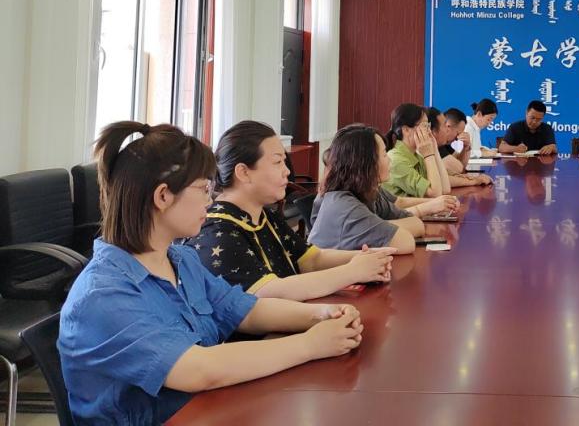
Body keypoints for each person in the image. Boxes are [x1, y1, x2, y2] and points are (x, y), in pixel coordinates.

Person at [59, 122, 365, 425]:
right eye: (203, 189)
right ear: (163, 196)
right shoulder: (102, 295)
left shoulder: (181, 260)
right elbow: (198, 370)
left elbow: (245, 311)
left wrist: (322, 315)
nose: (210, 199)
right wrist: (310, 345)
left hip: (211, 409)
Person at [188, 120, 393, 299]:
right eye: (277, 162)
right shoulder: (217, 231)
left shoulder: (265, 216)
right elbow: (270, 291)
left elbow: (312, 259)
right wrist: (352, 272)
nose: (287, 171)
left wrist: (368, 258)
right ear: (243, 172)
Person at [309, 124, 461, 253]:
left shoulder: (368, 191)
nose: (389, 160)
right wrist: (380, 225)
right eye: (383, 155)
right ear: (365, 163)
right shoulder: (344, 206)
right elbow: (405, 242)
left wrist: (378, 224)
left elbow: (416, 223)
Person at [383, 103, 490, 197]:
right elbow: (435, 193)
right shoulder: (397, 160)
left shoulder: (416, 156)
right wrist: (429, 154)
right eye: (425, 125)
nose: (428, 130)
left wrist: (433, 148)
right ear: (406, 130)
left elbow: (445, 188)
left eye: (428, 125)